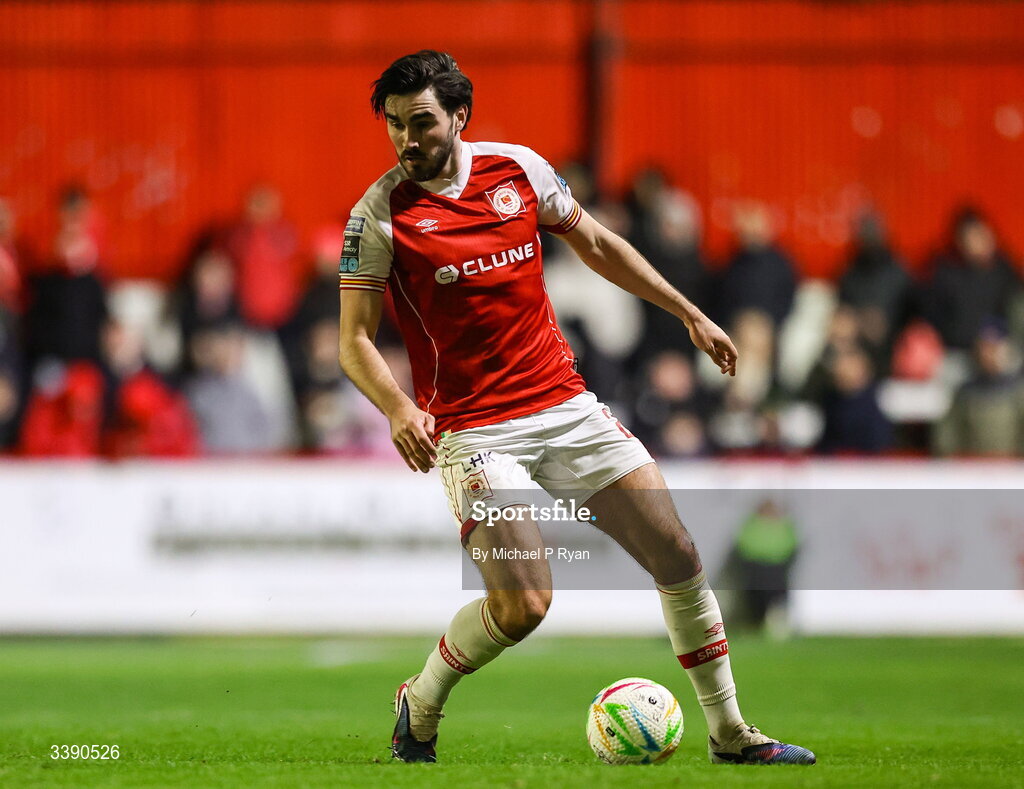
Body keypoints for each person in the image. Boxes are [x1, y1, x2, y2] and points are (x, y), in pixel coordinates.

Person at [338, 50, 814, 766]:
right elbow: (353, 342)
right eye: (396, 125)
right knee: (524, 606)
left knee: (677, 553)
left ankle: (730, 732)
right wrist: (399, 407)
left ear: (459, 116)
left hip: (564, 405)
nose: (409, 139)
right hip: (475, 431)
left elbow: (594, 242)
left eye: (423, 122)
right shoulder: (378, 216)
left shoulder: (518, 170)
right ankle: (423, 698)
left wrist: (688, 312)